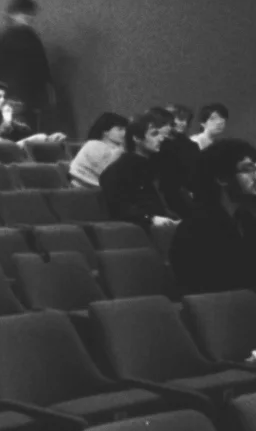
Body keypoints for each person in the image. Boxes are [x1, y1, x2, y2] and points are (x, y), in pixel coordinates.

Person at [169, 139, 256, 295]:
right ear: (222, 178)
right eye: (247, 169)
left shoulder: (246, 219)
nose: (255, 176)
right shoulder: (195, 230)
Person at [99, 108, 178, 230]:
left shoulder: (155, 164)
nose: (161, 139)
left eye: (160, 134)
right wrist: (151, 218)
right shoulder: (119, 170)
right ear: (136, 138)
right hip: (142, 229)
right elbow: (121, 208)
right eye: (154, 134)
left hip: (167, 225)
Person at [0, 0, 53, 128]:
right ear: (13, 14)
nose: (28, 17)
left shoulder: (25, 38)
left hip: (26, 97)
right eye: (25, 13)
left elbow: (41, 67)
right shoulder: (14, 40)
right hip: (17, 97)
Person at [69, 111, 129, 188]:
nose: (125, 133)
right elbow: (108, 172)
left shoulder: (116, 148)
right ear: (105, 131)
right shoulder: (93, 145)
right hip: (84, 188)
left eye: (126, 129)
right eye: (120, 129)